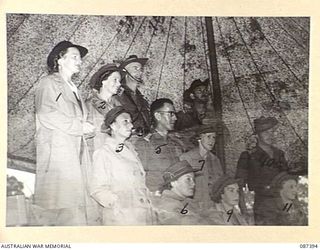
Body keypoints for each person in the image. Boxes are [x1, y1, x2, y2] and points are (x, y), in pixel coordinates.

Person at [34, 41, 96, 225]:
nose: (80, 62)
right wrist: (79, 127)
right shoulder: (49, 83)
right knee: (61, 210)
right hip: (58, 157)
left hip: (75, 156)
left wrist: (87, 128)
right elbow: (46, 114)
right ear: (60, 60)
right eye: (74, 57)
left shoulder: (74, 90)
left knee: (76, 209)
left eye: (80, 58)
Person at [90, 106, 154, 225]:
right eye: (125, 122)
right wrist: (117, 204)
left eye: (130, 122)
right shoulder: (104, 153)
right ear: (113, 126)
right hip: (122, 218)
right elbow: (97, 189)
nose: (131, 126)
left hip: (141, 214)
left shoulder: (131, 150)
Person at [235, 116, 289, 219]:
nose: (270, 135)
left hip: (281, 204)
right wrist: (244, 210)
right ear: (257, 136)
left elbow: (287, 180)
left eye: (272, 132)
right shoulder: (247, 156)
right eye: (265, 132)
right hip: (261, 205)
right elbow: (239, 185)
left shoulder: (279, 154)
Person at [134, 98, 186, 193]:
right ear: (157, 115)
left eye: (174, 114)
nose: (175, 118)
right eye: (170, 114)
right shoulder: (145, 144)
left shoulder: (174, 143)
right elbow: (138, 177)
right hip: (156, 198)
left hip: (175, 196)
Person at [153, 160, 222, 225]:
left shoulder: (184, 201)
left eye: (193, 179)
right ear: (173, 183)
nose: (194, 184)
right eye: (188, 179)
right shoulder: (169, 206)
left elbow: (203, 212)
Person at [179, 124, 224, 208]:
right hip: (193, 207)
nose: (212, 141)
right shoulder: (186, 158)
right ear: (199, 138)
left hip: (212, 208)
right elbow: (180, 187)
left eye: (214, 137)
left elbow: (220, 186)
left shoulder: (215, 160)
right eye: (208, 136)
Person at [86, 63, 122, 152]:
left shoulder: (118, 105)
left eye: (120, 81)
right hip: (97, 150)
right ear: (103, 81)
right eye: (115, 80)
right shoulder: (89, 104)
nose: (119, 84)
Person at [115, 55, 151, 135]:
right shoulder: (119, 96)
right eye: (135, 68)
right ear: (125, 71)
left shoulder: (141, 98)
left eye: (141, 69)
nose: (140, 72)